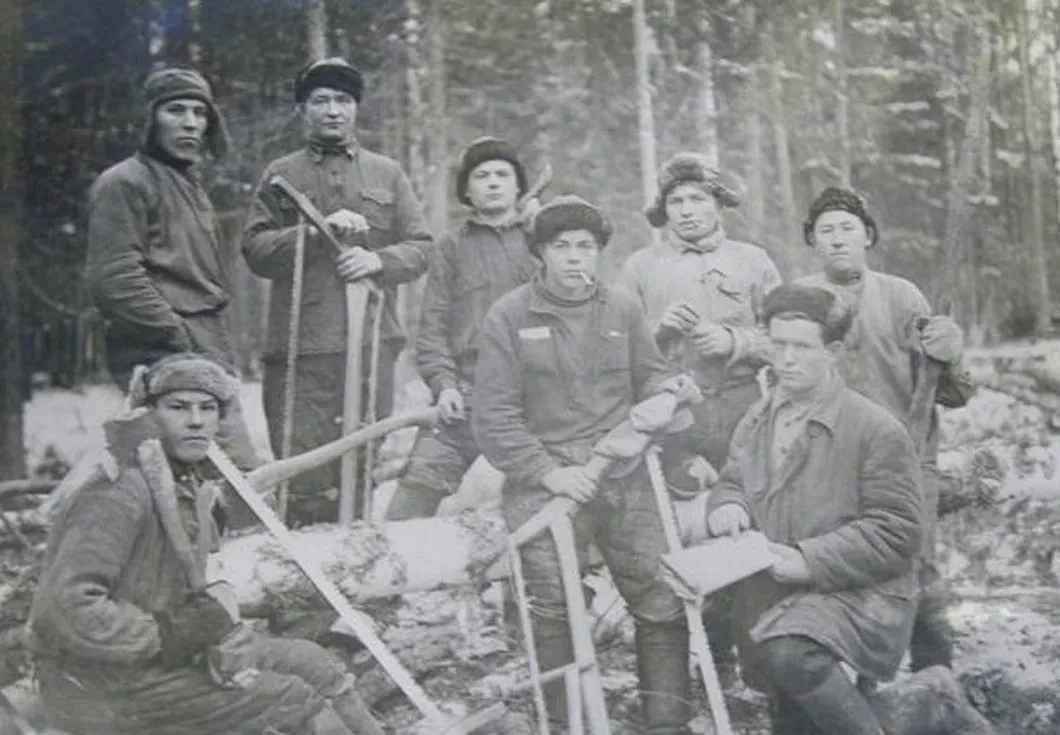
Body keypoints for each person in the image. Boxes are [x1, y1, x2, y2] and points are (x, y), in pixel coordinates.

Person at [26, 354, 384, 735]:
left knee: (313, 663)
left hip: (158, 662)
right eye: (179, 407)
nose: (196, 420)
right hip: (99, 684)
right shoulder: (117, 492)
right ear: (149, 414)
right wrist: (171, 633)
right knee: (291, 700)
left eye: (207, 408)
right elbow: (67, 609)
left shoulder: (185, 486)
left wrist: (203, 624)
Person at [473, 196, 701, 733]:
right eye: (562, 247)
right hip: (545, 481)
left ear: (599, 252)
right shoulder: (510, 315)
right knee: (553, 608)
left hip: (624, 472)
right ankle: (566, 722)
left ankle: (666, 722)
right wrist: (548, 472)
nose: (575, 258)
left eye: (586, 247)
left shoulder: (621, 308)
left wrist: (667, 388)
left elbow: (648, 373)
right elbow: (493, 416)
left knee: (661, 595)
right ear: (540, 253)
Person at [706, 284, 924, 735]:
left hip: (860, 589)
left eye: (802, 347)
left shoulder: (875, 428)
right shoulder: (758, 418)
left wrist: (809, 559)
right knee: (785, 702)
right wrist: (728, 506)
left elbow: (896, 533)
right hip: (777, 584)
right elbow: (732, 480)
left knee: (791, 654)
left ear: (834, 352)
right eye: (778, 344)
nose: (786, 360)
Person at [242, 57, 432, 525]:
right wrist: (312, 233)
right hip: (300, 349)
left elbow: (422, 247)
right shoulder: (281, 174)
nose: (333, 110)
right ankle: (303, 563)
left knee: (361, 465)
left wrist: (378, 261)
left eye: (343, 100)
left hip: (371, 344)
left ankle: (354, 555)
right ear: (302, 109)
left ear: (356, 108)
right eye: (321, 100)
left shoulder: (387, 173)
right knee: (302, 471)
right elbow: (255, 250)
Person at [617, 151, 782, 682]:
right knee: (686, 529)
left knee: (750, 525)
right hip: (673, 419)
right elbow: (616, 347)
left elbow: (787, 339)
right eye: (676, 201)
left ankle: (760, 659)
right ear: (663, 210)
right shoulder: (641, 267)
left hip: (742, 410)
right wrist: (660, 330)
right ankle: (710, 660)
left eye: (697, 199)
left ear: (718, 204)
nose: (687, 211)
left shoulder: (753, 261)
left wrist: (735, 342)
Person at [797, 186, 971, 672]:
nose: (837, 239)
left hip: (907, 458)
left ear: (868, 237)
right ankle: (847, 682)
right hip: (828, 461)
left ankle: (935, 675)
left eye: (847, 228)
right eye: (826, 231)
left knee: (918, 564)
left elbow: (954, 394)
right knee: (838, 564)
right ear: (812, 241)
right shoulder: (800, 300)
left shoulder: (902, 296)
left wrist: (950, 355)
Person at [85, 67, 258, 469]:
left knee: (205, 470)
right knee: (225, 465)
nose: (190, 123)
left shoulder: (188, 184)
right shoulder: (125, 182)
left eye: (200, 112)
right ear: (150, 118)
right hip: (161, 344)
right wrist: (175, 335)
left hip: (202, 336)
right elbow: (114, 278)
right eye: (175, 110)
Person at [385, 136, 539, 520]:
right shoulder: (451, 247)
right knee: (416, 491)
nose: (493, 182)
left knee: (547, 494)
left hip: (536, 396)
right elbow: (433, 327)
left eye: (502, 174)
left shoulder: (543, 241)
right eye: (481, 176)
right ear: (467, 191)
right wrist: (444, 386)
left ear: (518, 186)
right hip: (467, 394)